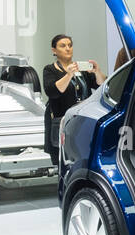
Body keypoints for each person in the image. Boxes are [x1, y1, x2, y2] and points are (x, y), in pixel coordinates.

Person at [43, 33, 105, 163]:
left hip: (82, 122)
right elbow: (53, 91)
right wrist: (69, 74)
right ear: (54, 50)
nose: (67, 48)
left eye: (70, 45)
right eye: (63, 46)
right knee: (64, 162)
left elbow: (101, 85)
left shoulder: (81, 69)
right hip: (62, 123)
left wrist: (97, 71)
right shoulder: (50, 70)